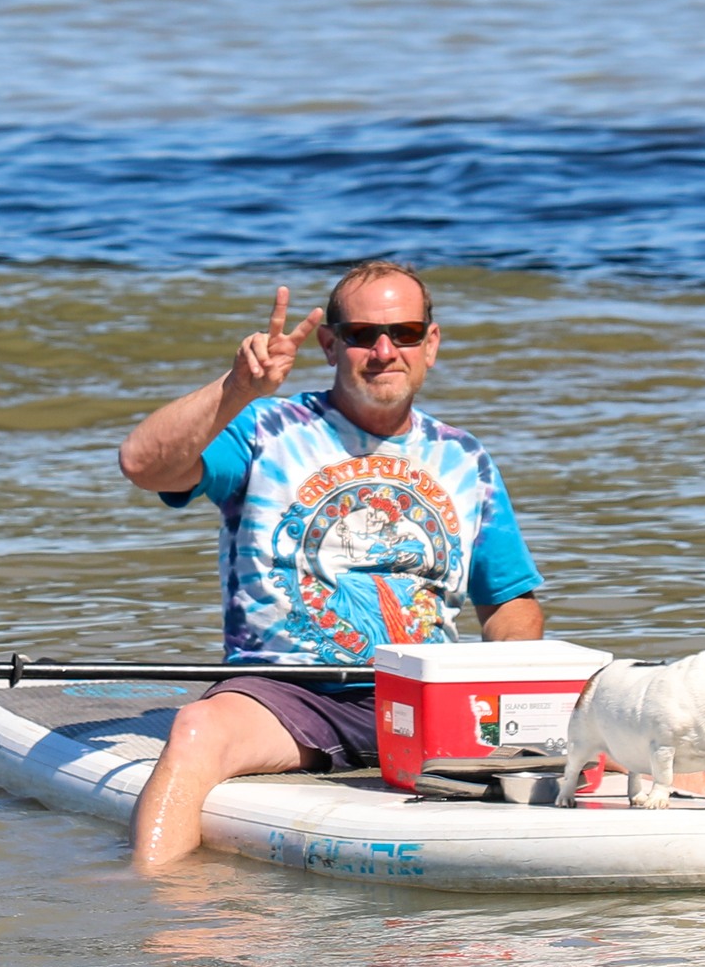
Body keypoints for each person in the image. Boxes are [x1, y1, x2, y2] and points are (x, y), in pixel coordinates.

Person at [117, 260, 545, 868]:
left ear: (431, 343)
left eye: (403, 333)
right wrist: (236, 388)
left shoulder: (463, 458)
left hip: (425, 699)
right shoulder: (263, 430)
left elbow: (508, 602)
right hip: (286, 694)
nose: (383, 350)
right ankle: (162, 913)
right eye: (361, 334)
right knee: (196, 731)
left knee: (650, 732)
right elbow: (143, 465)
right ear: (328, 344)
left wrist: (511, 682)